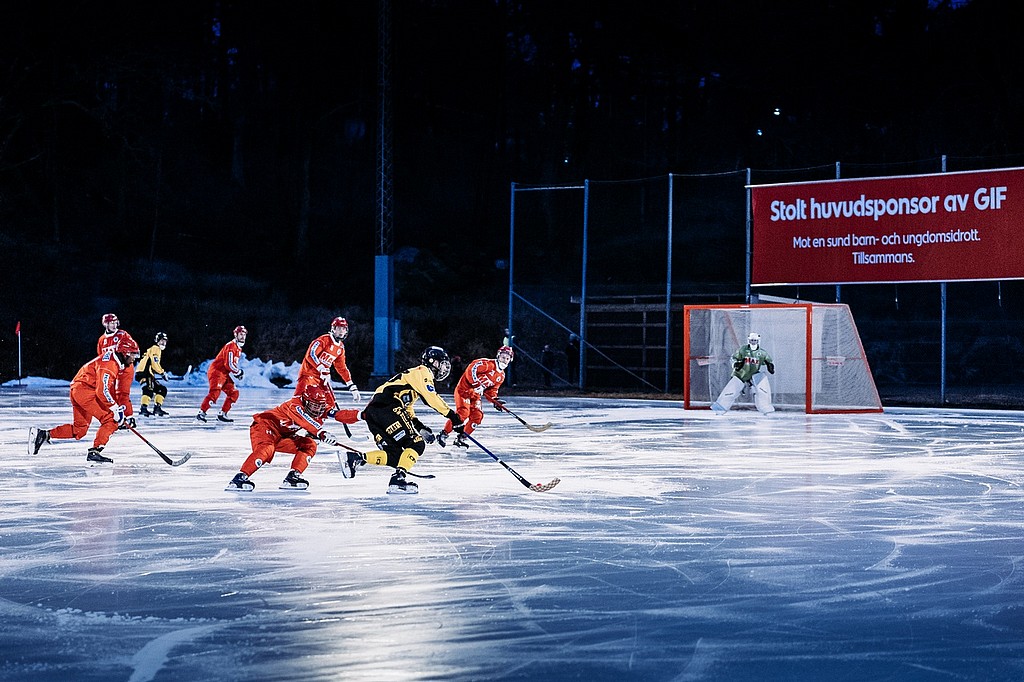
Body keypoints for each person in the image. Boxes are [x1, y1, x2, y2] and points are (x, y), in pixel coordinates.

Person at [342, 346, 465, 494]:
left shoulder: (413, 377)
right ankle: (398, 479)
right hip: (388, 406)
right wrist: (453, 417)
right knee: (416, 444)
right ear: (432, 362)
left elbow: (407, 408)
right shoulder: (423, 372)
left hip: (374, 413)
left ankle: (356, 458)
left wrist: (419, 427)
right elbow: (431, 398)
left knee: (396, 456)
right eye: (442, 364)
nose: (444, 369)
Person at [28, 334, 141, 465]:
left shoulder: (113, 361)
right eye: (133, 354)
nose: (134, 358)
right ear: (125, 352)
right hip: (85, 391)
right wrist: (115, 409)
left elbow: (105, 389)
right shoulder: (110, 365)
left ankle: (43, 435)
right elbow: (102, 391)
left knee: (79, 430)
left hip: (79, 390)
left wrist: (119, 410)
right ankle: (95, 452)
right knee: (110, 420)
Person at [226, 384, 352, 492]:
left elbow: (339, 415)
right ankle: (239, 478)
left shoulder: (316, 411)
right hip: (265, 426)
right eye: (314, 406)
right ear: (305, 401)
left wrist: (360, 415)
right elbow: (306, 422)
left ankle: (293, 477)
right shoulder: (295, 405)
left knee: (309, 445)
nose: (317, 410)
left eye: (320, 406)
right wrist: (321, 433)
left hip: (283, 435)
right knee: (267, 448)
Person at [437, 346, 513, 448]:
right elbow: (471, 369)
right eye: (503, 357)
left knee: (477, 416)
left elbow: (492, 391)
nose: (504, 360)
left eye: (507, 358)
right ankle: (443, 434)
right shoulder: (488, 364)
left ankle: (461, 438)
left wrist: (495, 401)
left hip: (475, 395)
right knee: (463, 413)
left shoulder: (501, 376)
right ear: (498, 356)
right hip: (463, 391)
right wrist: (476, 384)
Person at [293, 316, 361, 413]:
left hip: (322, 378)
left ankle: (317, 420)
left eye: (343, 328)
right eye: (338, 328)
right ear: (333, 329)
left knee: (330, 404)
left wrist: (351, 385)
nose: (341, 331)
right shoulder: (323, 340)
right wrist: (321, 368)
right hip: (308, 375)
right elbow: (310, 355)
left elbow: (341, 368)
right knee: (298, 401)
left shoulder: (340, 348)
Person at [711, 332, 775, 415]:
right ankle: (721, 407)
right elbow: (733, 358)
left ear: (758, 341)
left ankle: (766, 407)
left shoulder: (762, 353)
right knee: (731, 391)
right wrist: (736, 364)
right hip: (740, 374)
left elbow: (768, 360)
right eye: (751, 340)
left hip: (754, 374)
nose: (753, 342)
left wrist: (770, 365)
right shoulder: (743, 350)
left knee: (763, 388)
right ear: (749, 340)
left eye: (755, 341)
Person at [198, 325, 247, 423]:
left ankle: (222, 414)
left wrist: (237, 373)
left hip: (224, 373)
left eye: (244, 334)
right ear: (235, 335)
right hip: (217, 371)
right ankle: (201, 414)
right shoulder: (231, 346)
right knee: (215, 393)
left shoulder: (238, 348)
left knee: (234, 393)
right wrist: (238, 372)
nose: (243, 336)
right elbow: (228, 364)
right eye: (240, 334)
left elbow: (231, 364)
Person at [138, 332, 170, 417]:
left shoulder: (155, 349)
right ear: (157, 341)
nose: (163, 343)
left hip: (147, 373)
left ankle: (157, 408)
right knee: (149, 389)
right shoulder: (156, 348)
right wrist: (162, 373)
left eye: (165, 341)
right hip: (145, 372)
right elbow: (154, 363)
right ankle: (143, 409)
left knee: (161, 389)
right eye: (162, 341)